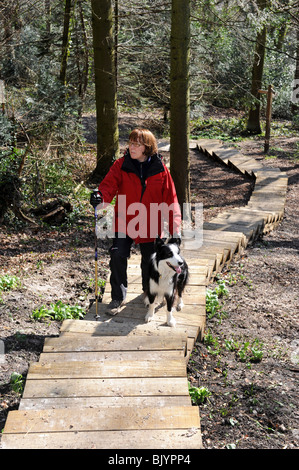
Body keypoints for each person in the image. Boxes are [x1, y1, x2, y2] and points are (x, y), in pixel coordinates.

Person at [90, 128, 181, 315]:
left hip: (150, 222)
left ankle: (148, 294)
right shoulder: (120, 165)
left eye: (137, 144)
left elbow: (170, 201)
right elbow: (108, 187)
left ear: (147, 147)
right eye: (130, 143)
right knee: (117, 254)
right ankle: (117, 297)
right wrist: (99, 197)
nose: (132, 147)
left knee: (150, 261)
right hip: (125, 220)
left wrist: (175, 230)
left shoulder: (160, 170)